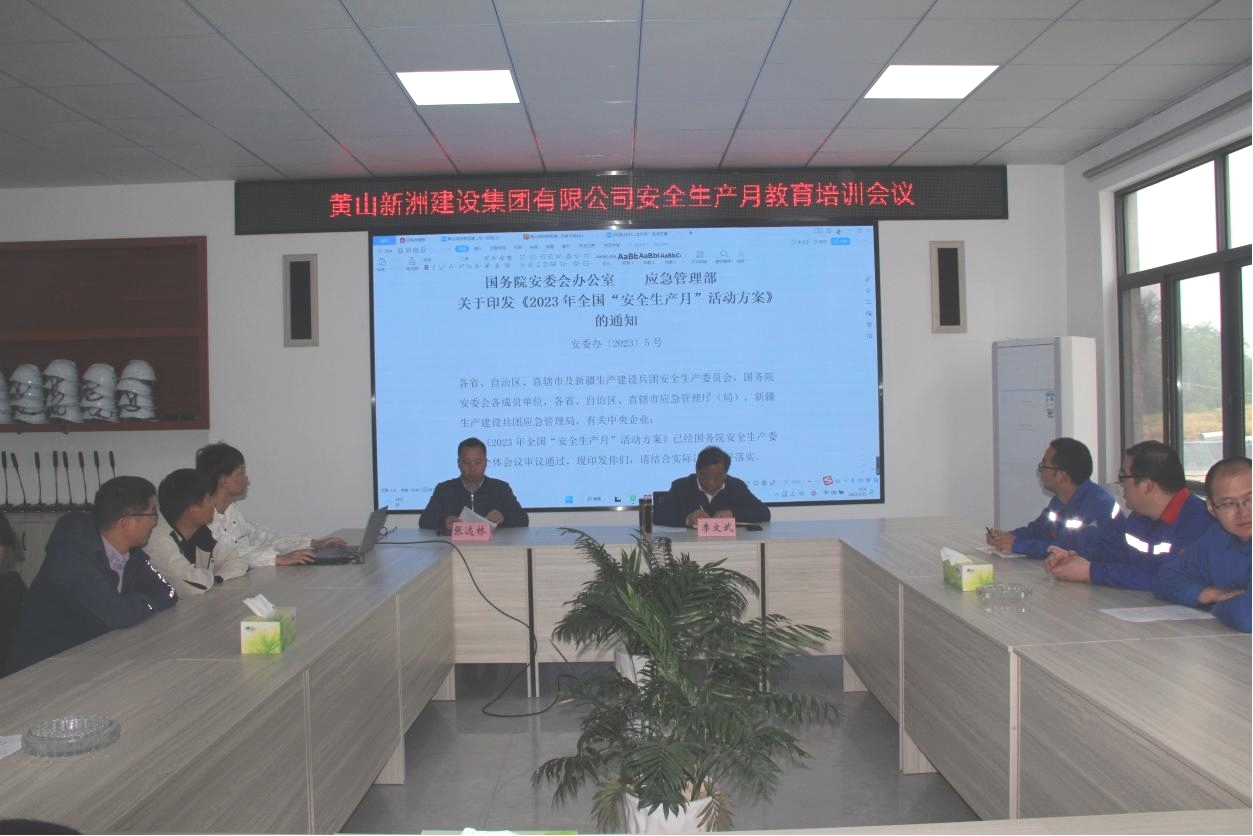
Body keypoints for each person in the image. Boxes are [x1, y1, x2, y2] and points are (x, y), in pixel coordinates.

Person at [5, 476, 177, 675]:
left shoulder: (131, 553)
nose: (155, 522)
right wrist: (143, 603)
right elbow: (119, 615)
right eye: (152, 514)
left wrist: (137, 604)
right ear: (127, 522)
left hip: (90, 658)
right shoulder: (71, 558)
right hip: (39, 670)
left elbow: (168, 592)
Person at [1046, 440, 1211, 589]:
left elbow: (1165, 577)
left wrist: (1090, 572)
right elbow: (1117, 555)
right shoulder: (1139, 517)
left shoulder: (1199, 522)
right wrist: (1075, 558)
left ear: (1147, 485)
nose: (1121, 485)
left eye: (1124, 477)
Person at [195, 442, 346, 567]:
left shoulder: (231, 512)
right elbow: (228, 555)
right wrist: (277, 559)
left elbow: (264, 538)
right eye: (241, 472)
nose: (247, 478)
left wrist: (313, 543)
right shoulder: (205, 521)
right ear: (224, 481)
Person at [1153, 457, 1250, 632]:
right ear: (1211, 508)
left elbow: (1247, 616)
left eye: (1251, 498)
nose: (1243, 512)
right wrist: (1210, 594)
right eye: (1229, 504)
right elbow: (1164, 579)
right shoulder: (1218, 536)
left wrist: (1216, 607)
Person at [985, 437, 1119, 558]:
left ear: (1061, 475)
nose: (1040, 471)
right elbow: (1039, 530)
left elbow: (1071, 550)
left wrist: (1017, 544)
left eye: (1044, 466)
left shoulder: (1099, 506)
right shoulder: (1060, 500)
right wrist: (1006, 537)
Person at [146, 468, 250, 596]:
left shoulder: (199, 531)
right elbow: (194, 585)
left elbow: (238, 560)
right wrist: (212, 578)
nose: (213, 504)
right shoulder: (157, 539)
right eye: (209, 499)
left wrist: (217, 578)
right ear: (193, 511)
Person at [419, 437, 529, 531]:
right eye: (467, 462)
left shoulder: (501, 488)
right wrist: (443, 521)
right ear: (458, 463)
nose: (472, 468)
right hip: (455, 546)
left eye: (477, 462)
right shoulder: (444, 489)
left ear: (485, 463)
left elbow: (523, 519)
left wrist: (504, 517)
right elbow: (424, 520)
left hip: (492, 546)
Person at [652, 445, 770, 528]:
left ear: (725, 474)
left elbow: (764, 513)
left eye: (717, 477)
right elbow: (658, 515)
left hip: (727, 545)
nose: (711, 483)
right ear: (697, 472)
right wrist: (688, 518)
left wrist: (734, 514)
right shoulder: (681, 487)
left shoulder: (736, 486)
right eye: (705, 477)